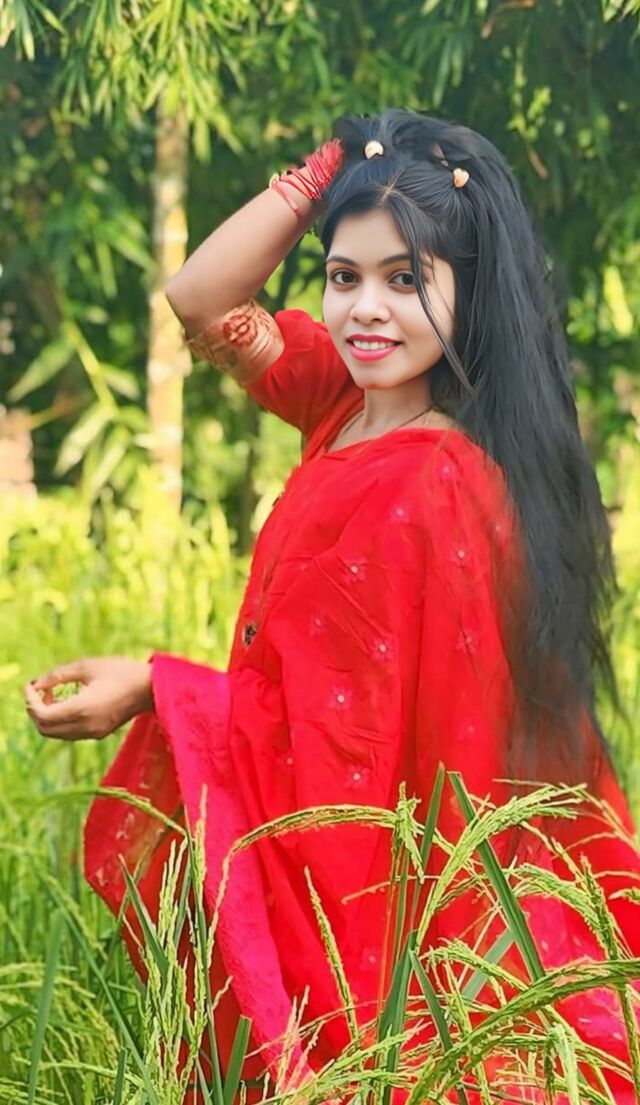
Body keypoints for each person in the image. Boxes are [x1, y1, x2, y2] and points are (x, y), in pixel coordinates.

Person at [25, 109, 640, 1103]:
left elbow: (347, 751)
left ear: (468, 291)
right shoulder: (344, 403)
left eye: (405, 280)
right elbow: (198, 298)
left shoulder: (435, 483)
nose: (366, 310)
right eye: (344, 276)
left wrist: (152, 687)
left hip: (375, 876)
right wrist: (331, 170)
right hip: (319, 825)